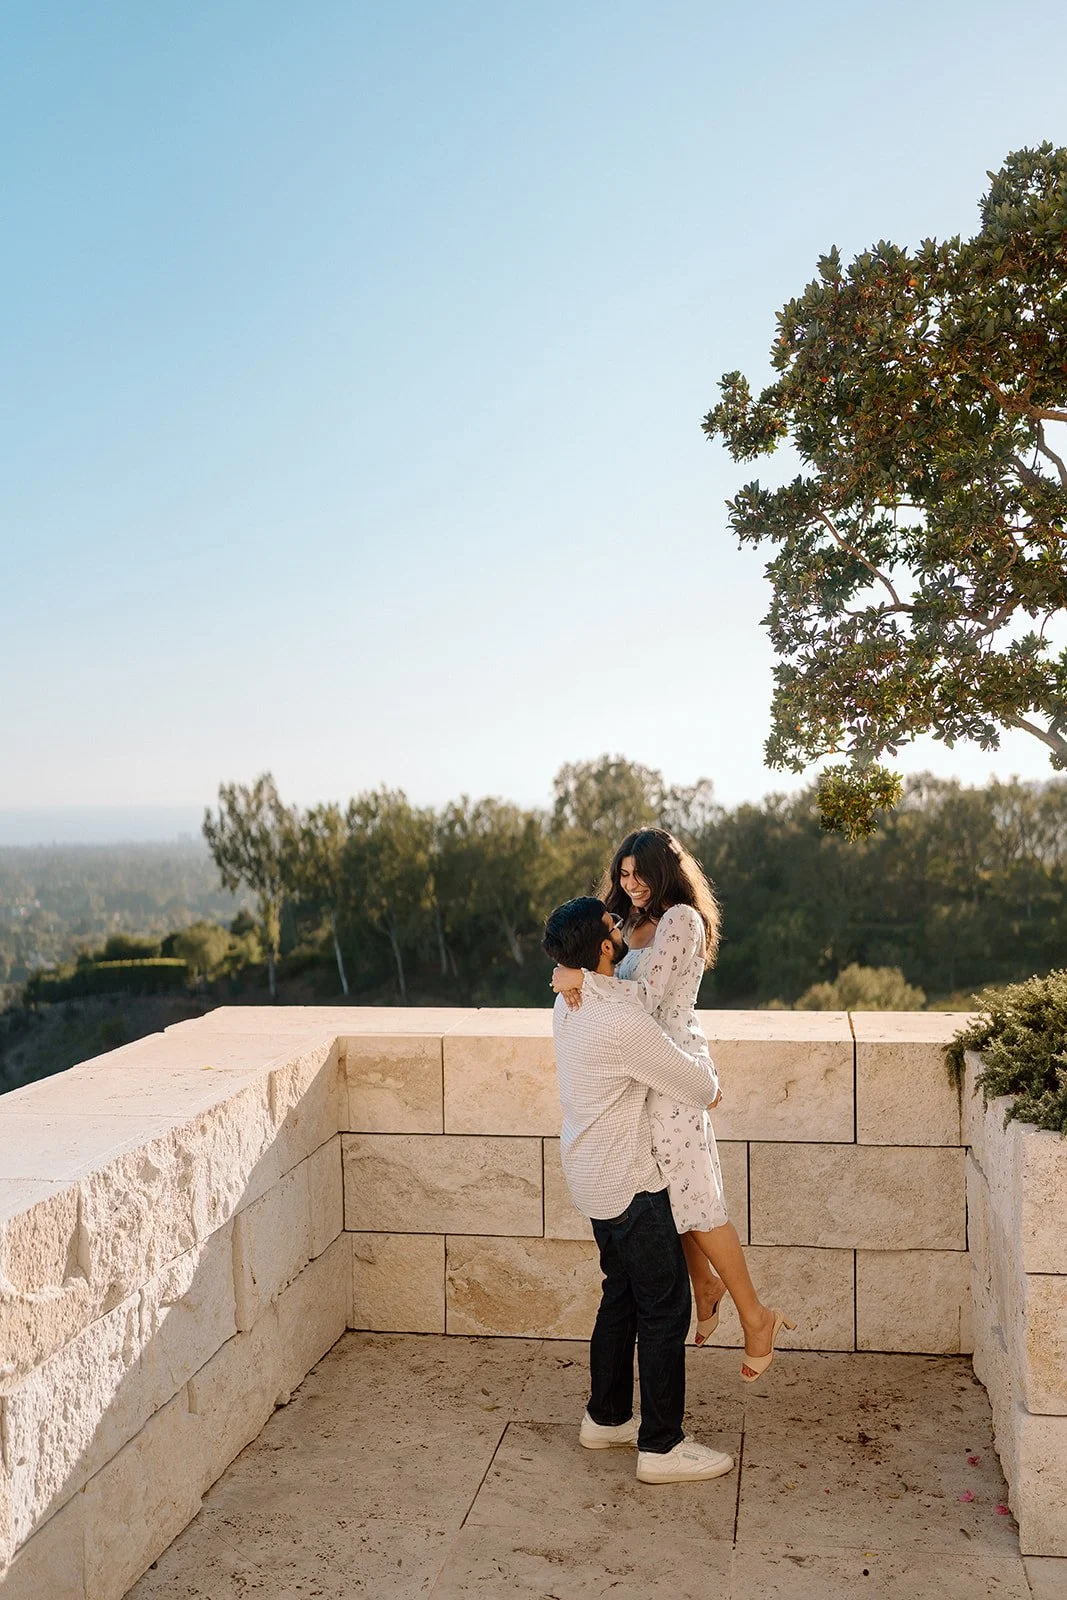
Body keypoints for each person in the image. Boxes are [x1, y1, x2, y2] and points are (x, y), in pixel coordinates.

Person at [551, 828, 794, 1381]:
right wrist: (572, 973)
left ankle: (756, 1316)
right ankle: (705, 1285)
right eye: (623, 873)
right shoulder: (622, 920)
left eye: (639, 873)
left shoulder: (681, 919)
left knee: (698, 1198)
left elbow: (649, 999)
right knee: (669, 1198)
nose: (629, 883)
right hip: (637, 1076)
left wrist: (581, 979)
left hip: (672, 1069)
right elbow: (592, 966)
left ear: (664, 871)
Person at [542, 894, 734, 1485]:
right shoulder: (621, 1022)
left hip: (589, 1175)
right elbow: (698, 1085)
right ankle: (661, 1447)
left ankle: (606, 1417)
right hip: (629, 1182)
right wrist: (709, 1079)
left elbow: (602, 988)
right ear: (603, 947)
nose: (619, 925)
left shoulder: (568, 1003)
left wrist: (573, 975)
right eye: (610, 925)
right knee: (665, 1304)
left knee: (620, 1292)